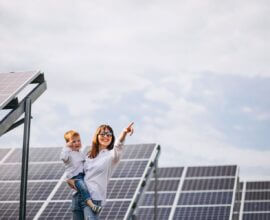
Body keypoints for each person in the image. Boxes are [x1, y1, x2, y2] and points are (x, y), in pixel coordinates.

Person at [68, 122, 134, 220]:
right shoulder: (88, 156)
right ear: (97, 136)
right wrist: (71, 181)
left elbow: (119, 146)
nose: (106, 136)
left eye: (109, 134)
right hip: (78, 196)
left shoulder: (111, 156)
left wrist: (124, 132)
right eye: (103, 134)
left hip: (93, 198)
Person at [60, 130, 102, 214]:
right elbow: (63, 158)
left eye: (79, 141)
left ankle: (90, 203)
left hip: (82, 175)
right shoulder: (68, 154)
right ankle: (92, 206)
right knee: (83, 188)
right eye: (74, 141)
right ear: (68, 143)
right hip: (75, 177)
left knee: (86, 187)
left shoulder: (80, 153)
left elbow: (86, 163)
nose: (77, 143)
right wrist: (66, 147)